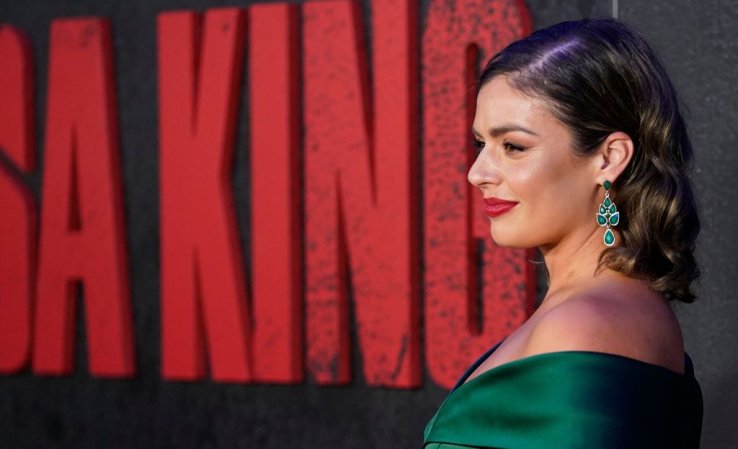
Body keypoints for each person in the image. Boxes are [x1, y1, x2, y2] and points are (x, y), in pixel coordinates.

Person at [423, 18, 703, 449]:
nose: (477, 173)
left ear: (609, 158)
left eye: (513, 146)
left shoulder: (583, 326)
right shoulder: (610, 310)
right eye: (481, 144)